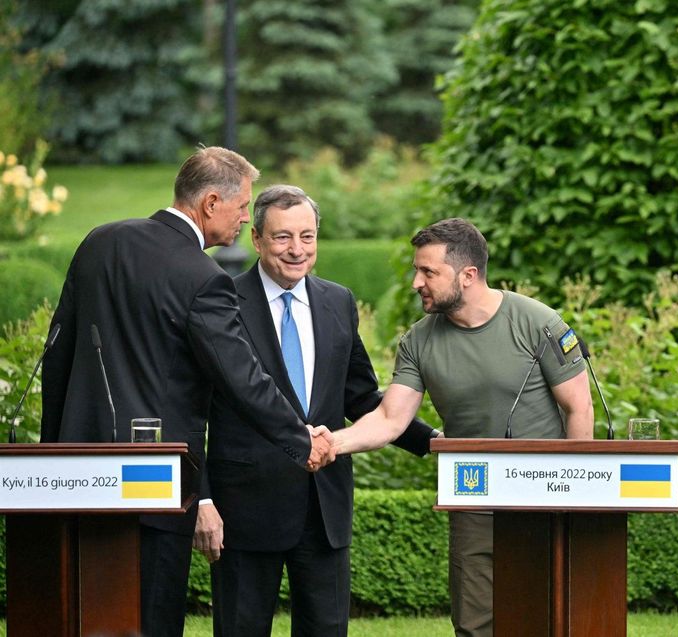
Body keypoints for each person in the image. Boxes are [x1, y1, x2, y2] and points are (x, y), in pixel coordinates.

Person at [40, 147, 334, 637]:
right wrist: (301, 438)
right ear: (211, 202)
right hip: (155, 482)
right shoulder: (204, 279)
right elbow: (241, 379)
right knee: (151, 619)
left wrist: (53, 449)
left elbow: (58, 353)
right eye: (242, 207)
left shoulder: (100, 241)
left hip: (79, 472)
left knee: (86, 611)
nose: (245, 218)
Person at [330, 217, 594, 637]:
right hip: (474, 495)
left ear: (468, 275)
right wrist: (333, 443)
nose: (417, 282)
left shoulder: (538, 322)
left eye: (429, 272)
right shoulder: (418, 340)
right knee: (474, 625)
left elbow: (578, 407)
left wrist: (578, 493)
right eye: (418, 270)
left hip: (547, 494)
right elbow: (389, 419)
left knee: (548, 618)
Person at [193, 185, 438, 637]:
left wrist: (432, 442)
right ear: (258, 240)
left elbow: (360, 396)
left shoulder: (337, 301)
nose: (297, 249)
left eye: (307, 236)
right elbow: (194, 411)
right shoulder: (220, 300)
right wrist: (202, 499)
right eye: (283, 237)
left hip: (324, 508)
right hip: (245, 510)